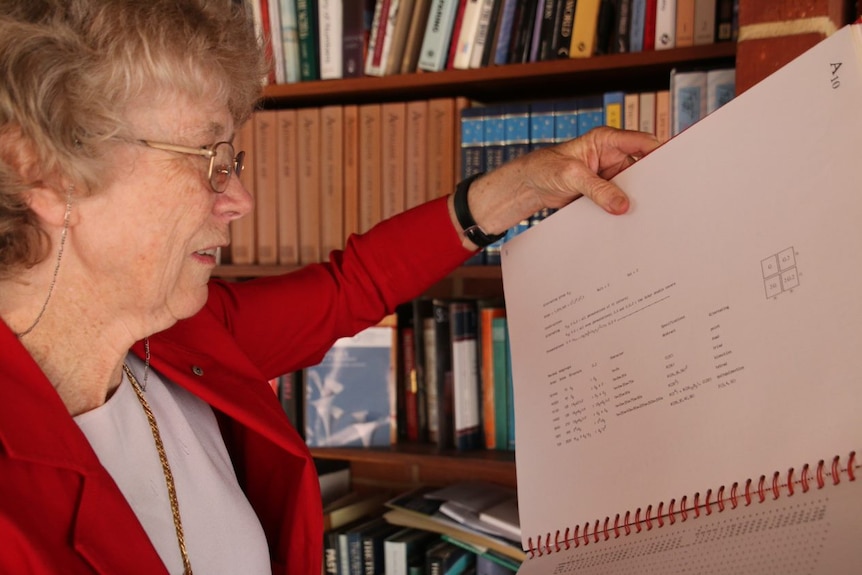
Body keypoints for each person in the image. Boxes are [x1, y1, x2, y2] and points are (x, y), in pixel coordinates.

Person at [0, 1, 660, 574]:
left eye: (235, 160)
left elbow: (352, 286)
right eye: (210, 159)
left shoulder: (181, 340)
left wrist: (529, 186)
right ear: (49, 174)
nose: (240, 198)